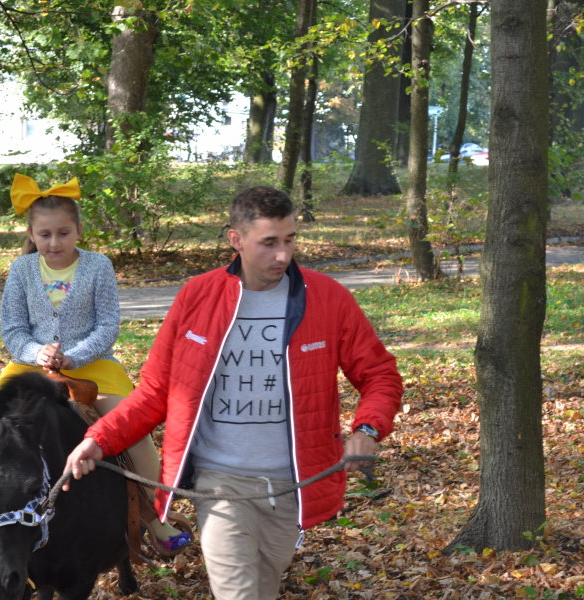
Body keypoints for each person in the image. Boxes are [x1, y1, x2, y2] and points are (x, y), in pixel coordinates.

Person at [63, 185, 402, 599]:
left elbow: (379, 375)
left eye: (290, 240)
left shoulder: (327, 299)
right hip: (219, 483)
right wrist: (100, 439)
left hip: (290, 486)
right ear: (236, 240)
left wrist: (367, 429)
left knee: (262, 590)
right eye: (269, 243)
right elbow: (156, 390)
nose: (283, 255)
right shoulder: (198, 297)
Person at [0, 173, 190, 555]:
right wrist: (37, 352)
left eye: (63, 233)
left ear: (79, 231)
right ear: (32, 234)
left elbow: (107, 325)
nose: (55, 242)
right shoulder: (21, 270)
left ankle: (155, 516)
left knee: (134, 431)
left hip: (94, 366)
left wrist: (75, 355)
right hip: (30, 368)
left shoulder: (98, 266)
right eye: (46, 234)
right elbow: (12, 328)